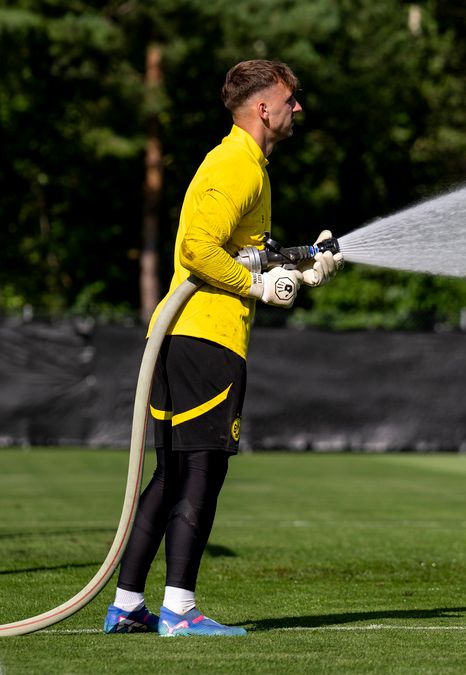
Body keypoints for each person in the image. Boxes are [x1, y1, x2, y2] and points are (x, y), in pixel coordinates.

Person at [103, 59, 342, 637]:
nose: (298, 109)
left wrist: (305, 266)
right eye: (291, 100)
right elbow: (196, 251)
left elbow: (244, 251)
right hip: (205, 340)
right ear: (264, 108)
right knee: (201, 473)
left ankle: (128, 605)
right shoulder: (238, 164)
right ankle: (179, 612)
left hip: (183, 336)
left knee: (174, 472)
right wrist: (258, 286)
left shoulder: (244, 163)